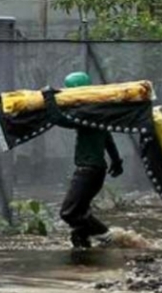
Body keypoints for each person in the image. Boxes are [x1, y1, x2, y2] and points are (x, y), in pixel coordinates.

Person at [50, 71, 124, 249]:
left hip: (88, 171)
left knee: (68, 213)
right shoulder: (97, 113)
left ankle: (109, 237)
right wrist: (116, 161)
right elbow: (108, 139)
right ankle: (84, 247)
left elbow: (57, 118)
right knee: (80, 212)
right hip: (96, 171)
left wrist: (48, 97)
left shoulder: (85, 114)